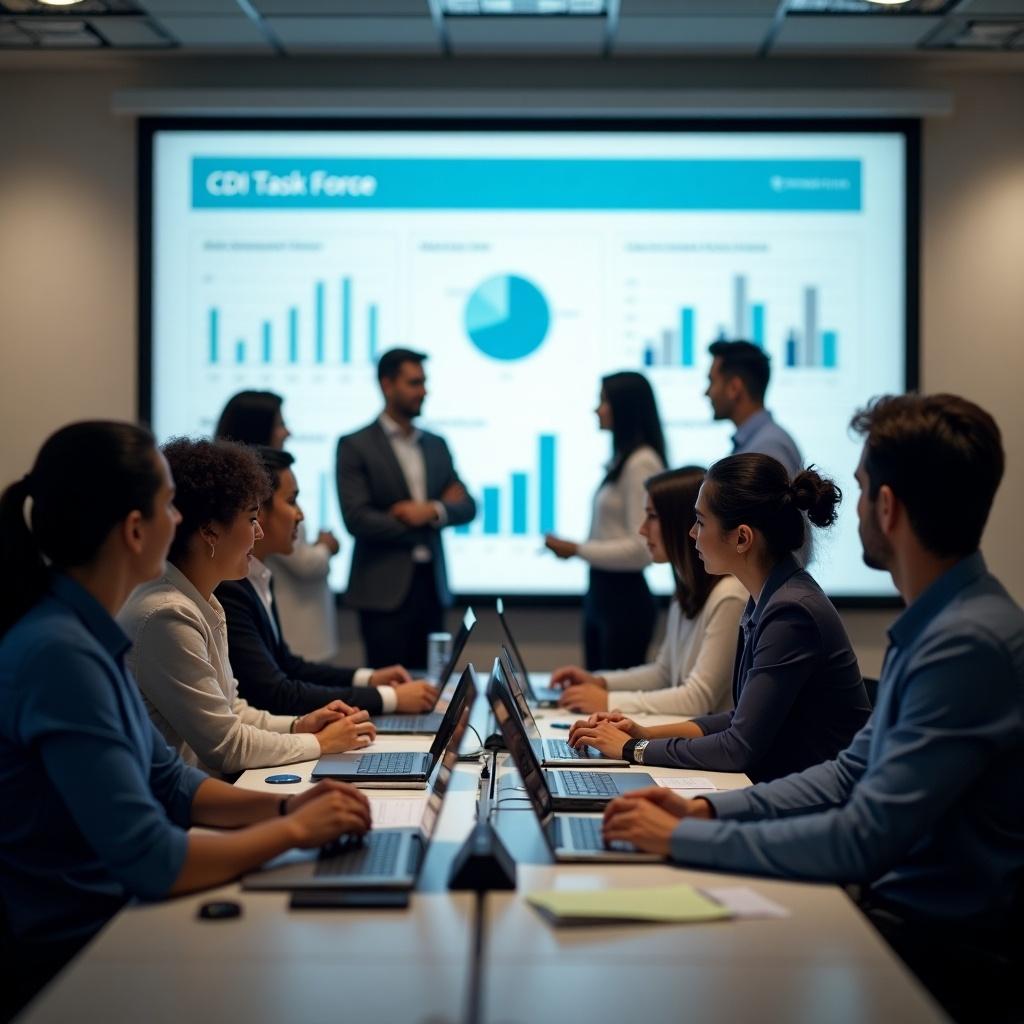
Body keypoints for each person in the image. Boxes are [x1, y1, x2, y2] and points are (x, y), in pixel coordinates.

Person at [599, 394, 1024, 1024]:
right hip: (904, 916)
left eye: (860, 488)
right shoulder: (943, 624)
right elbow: (850, 771)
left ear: (887, 506)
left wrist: (688, 835)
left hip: (936, 948)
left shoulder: (965, 643)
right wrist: (704, 807)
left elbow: (861, 837)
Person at [0, 422, 371, 1020]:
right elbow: (149, 858)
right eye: (169, 504)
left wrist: (286, 810)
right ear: (135, 529)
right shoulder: (59, 654)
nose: (180, 522)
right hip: (78, 947)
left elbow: (169, 779)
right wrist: (295, 835)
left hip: (114, 916)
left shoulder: (85, 633)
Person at [569, 453, 870, 782]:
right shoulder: (769, 597)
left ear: (742, 538)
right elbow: (739, 718)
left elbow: (736, 748)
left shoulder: (791, 612)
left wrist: (633, 748)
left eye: (700, 521)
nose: (692, 533)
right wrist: (645, 733)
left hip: (817, 804)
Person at [119, 438, 376, 778]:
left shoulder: (201, 601)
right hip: (178, 809)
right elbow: (226, 746)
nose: (258, 532)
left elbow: (233, 711)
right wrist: (321, 743)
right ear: (209, 530)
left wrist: (300, 725)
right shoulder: (167, 614)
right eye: (251, 518)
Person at [217, 447, 439, 717]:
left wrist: (368, 678)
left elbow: (289, 666)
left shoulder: (258, 577)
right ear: (259, 511)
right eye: (292, 501)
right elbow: (275, 693)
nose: (300, 515)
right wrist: (390, 698)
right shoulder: (230, 589)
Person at [551, 466, 746, 717]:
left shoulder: (729, 595)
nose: (642, 530)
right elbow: (664, 673)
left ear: (680, 522)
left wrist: (608, 701)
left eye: (651, 517)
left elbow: (698, 699)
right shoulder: (687, 591)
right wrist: (599, 682)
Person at [337, 348, 476, 668]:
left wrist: (429, 511)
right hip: (382, 592)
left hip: (431, 588)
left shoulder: (436, 444)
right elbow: (357, 518)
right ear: (387, 385)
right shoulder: (355, 444)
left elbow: (467, 506)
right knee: (391, 690)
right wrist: (428, 516)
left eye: (424, 382)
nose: (423, 391)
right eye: (414, 383)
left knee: (432, 687)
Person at [544, 372, 667, 670]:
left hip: (624, 601)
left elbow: (641, 550)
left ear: (624, 407)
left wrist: (577, 549)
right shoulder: (623, 460)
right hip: (603, 595)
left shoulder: (641, 462)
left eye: (604, 401)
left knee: (608, 703)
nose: (597, 409)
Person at [216, 389, 341, 661]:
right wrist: (325, 547)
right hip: (296, 618)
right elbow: (304, 563)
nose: (287, 432)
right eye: (280, 424)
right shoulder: (232, 591)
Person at [705, 340, 802, 478]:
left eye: (712, 381)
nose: (707, 392)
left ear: (734, 388)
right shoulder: (759, 444)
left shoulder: (767, 448)